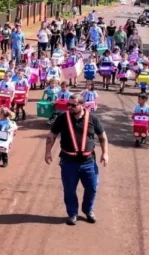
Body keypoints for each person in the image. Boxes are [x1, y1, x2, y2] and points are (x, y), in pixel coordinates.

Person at [45, 94, 109, 225]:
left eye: (73, 105)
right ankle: (72, 214)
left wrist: (105, 153)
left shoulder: (93, 118)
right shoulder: (62, 118)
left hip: (88, 161)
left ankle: (88, 210)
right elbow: (52, 135)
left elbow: (102, 136)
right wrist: (47, 152)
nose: (70, 107)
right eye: (68, 104)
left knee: (92, 188)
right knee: (69, 190)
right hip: (68, 162)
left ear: (82, 105)